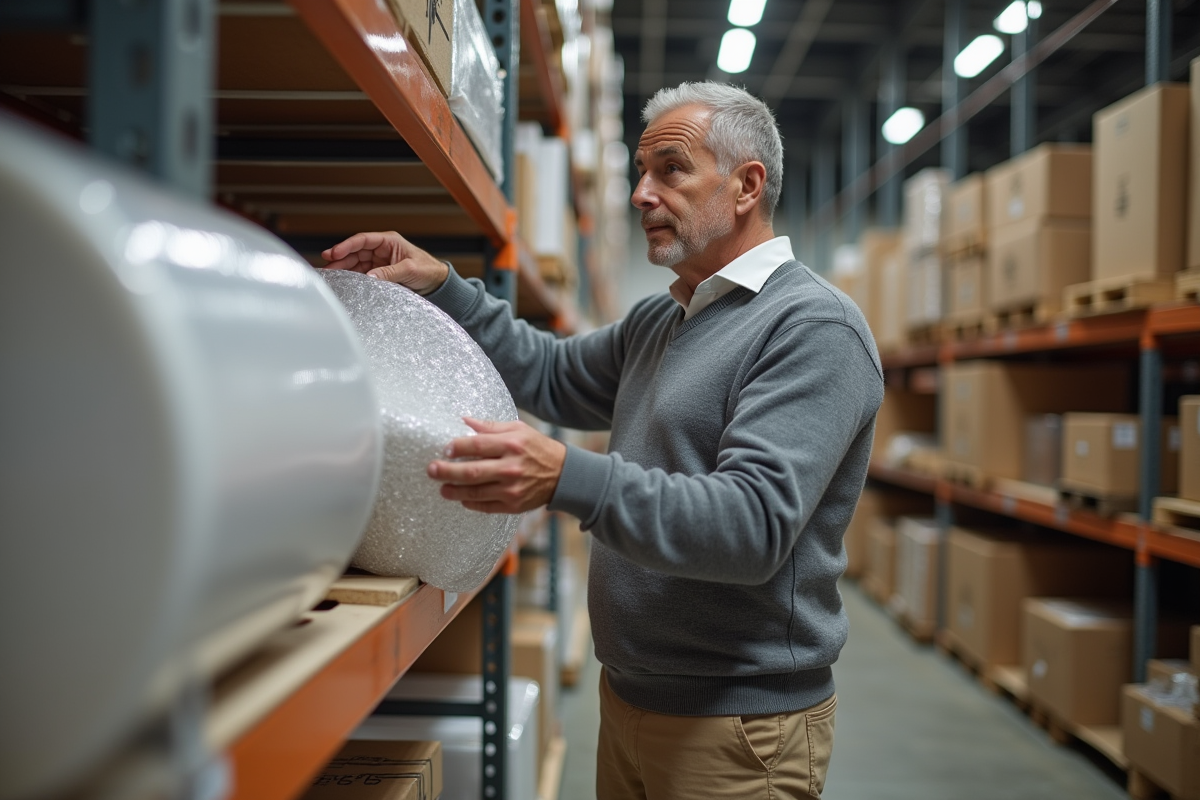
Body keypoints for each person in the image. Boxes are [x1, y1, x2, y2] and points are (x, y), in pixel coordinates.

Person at [323, 81, 883, 799]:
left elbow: (751, 525)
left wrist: (568, 479)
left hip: (741, 729)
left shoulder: (811, 329)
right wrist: (444, 290)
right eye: (639, 173)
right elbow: (552, 374)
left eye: (671, 170)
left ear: (747, 186)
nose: (641, 194)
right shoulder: (665, 320)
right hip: (628, 699)